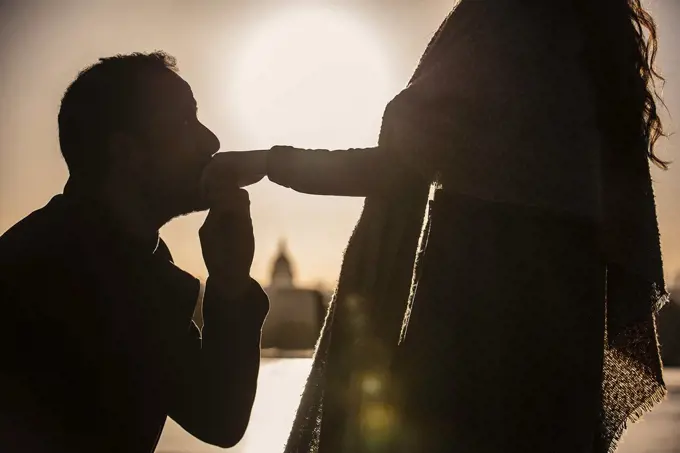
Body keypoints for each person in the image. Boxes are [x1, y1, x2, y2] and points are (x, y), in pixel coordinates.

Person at [215, 1, 669, 452]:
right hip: (565, 327)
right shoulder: (592, 31)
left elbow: (398, 168)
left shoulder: (502, 22)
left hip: (475, 314)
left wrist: (269, 162)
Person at [0, 52, 269, 453]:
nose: (211, 141)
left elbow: (217, 417)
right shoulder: (84, 272)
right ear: (127, 152)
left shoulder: (96, 249)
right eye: (184, 121)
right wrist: (229, 283)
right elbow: (218, 415)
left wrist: (230, 279)